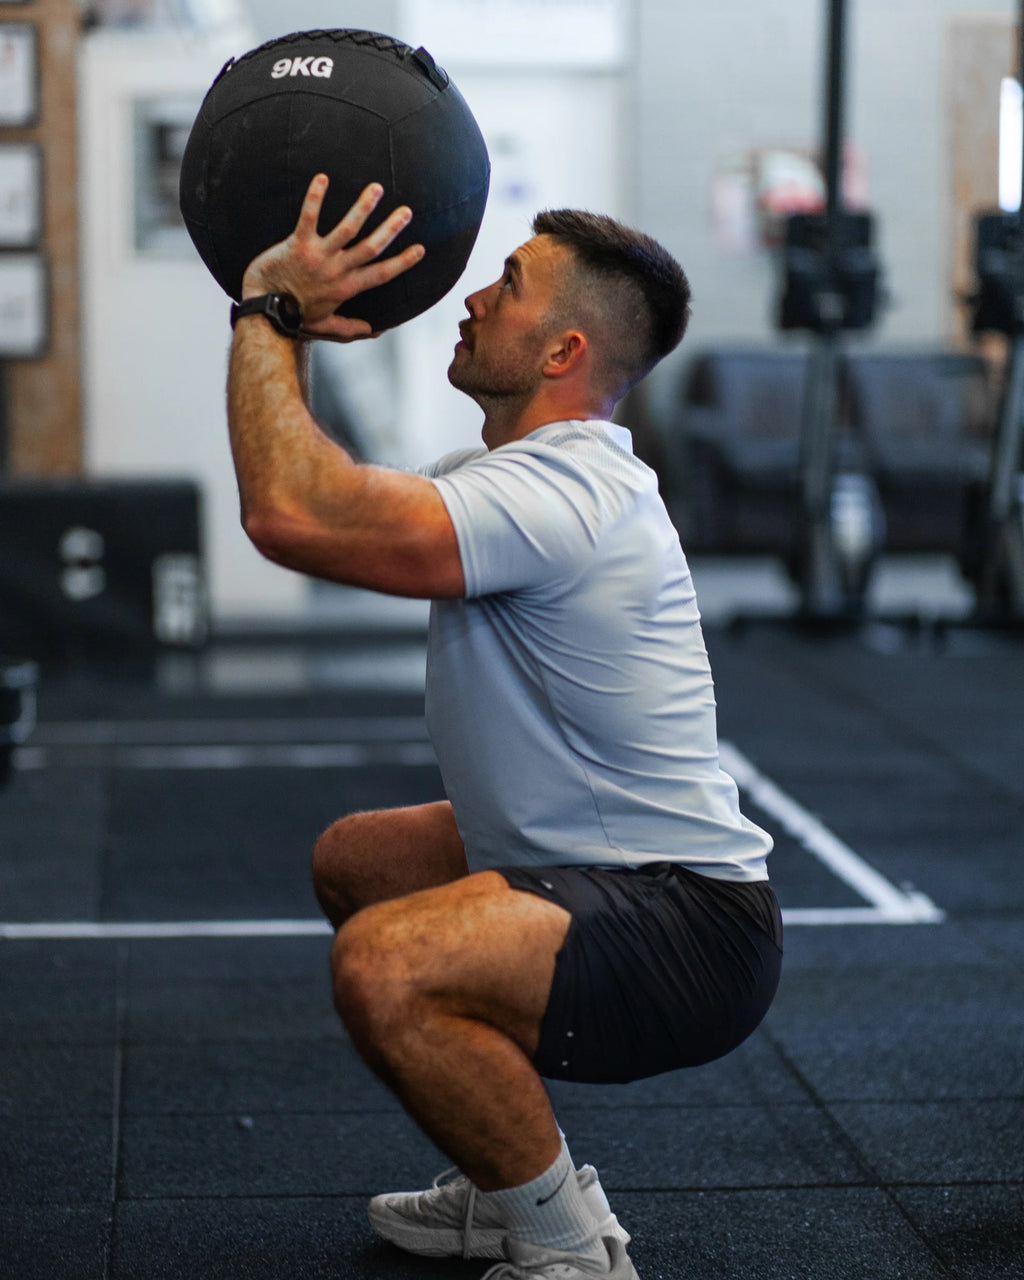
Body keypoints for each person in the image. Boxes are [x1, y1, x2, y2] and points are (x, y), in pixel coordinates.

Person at [226, 174, 783, 1280]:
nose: (473, 298)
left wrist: (268, 315)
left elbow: (288, 513)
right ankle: (504, 1183)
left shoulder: (564, 495)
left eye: (508, 286)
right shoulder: (517, 478)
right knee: (361, 860)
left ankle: (571, 1248)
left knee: (385, 967)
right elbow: (323, 490)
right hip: (609, 873)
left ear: (564, 351)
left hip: (684, 922)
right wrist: (292, 336)